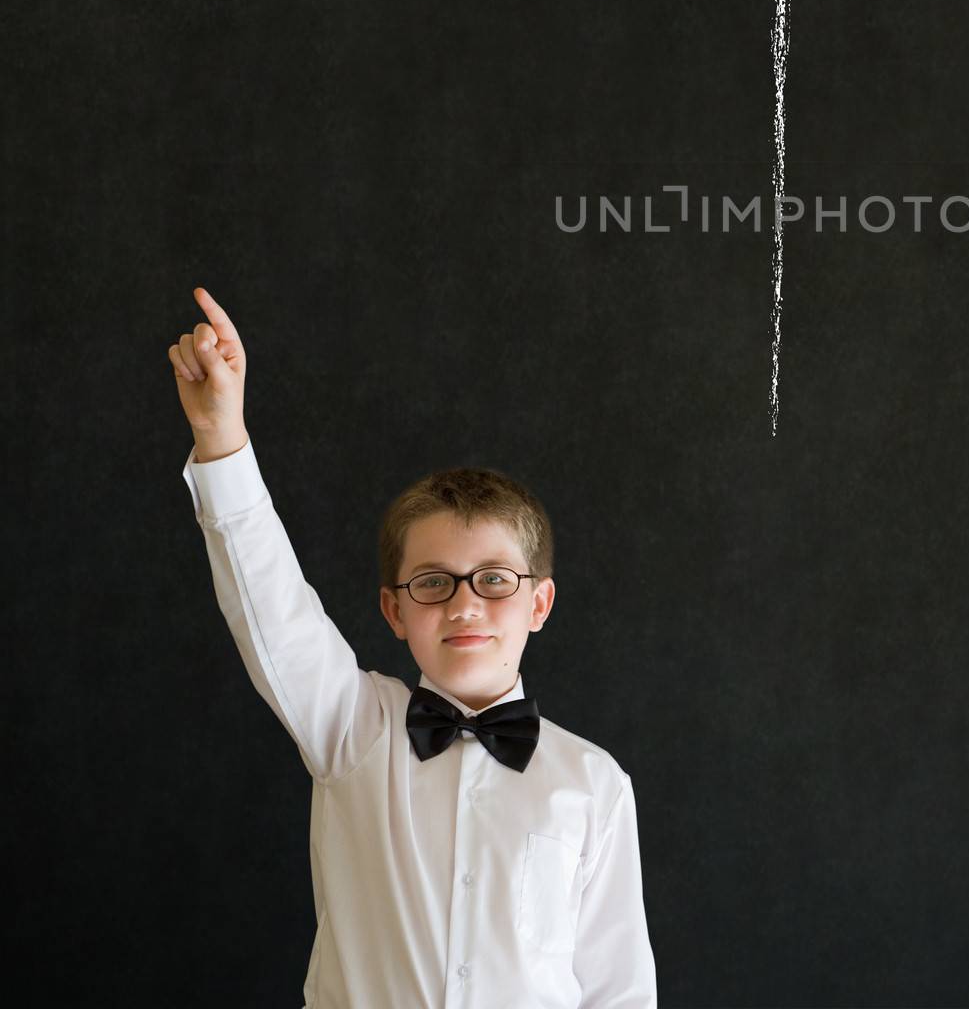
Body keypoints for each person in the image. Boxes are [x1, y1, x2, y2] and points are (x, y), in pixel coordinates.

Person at [169, 285, 656, 1009]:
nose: (465, 604)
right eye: (433, 582)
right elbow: (273, 610)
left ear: (540, 601)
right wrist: (221, 439)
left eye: (494, 579)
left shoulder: (593, 783)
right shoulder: (353, 731)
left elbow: (618, 993)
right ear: (394, 611)